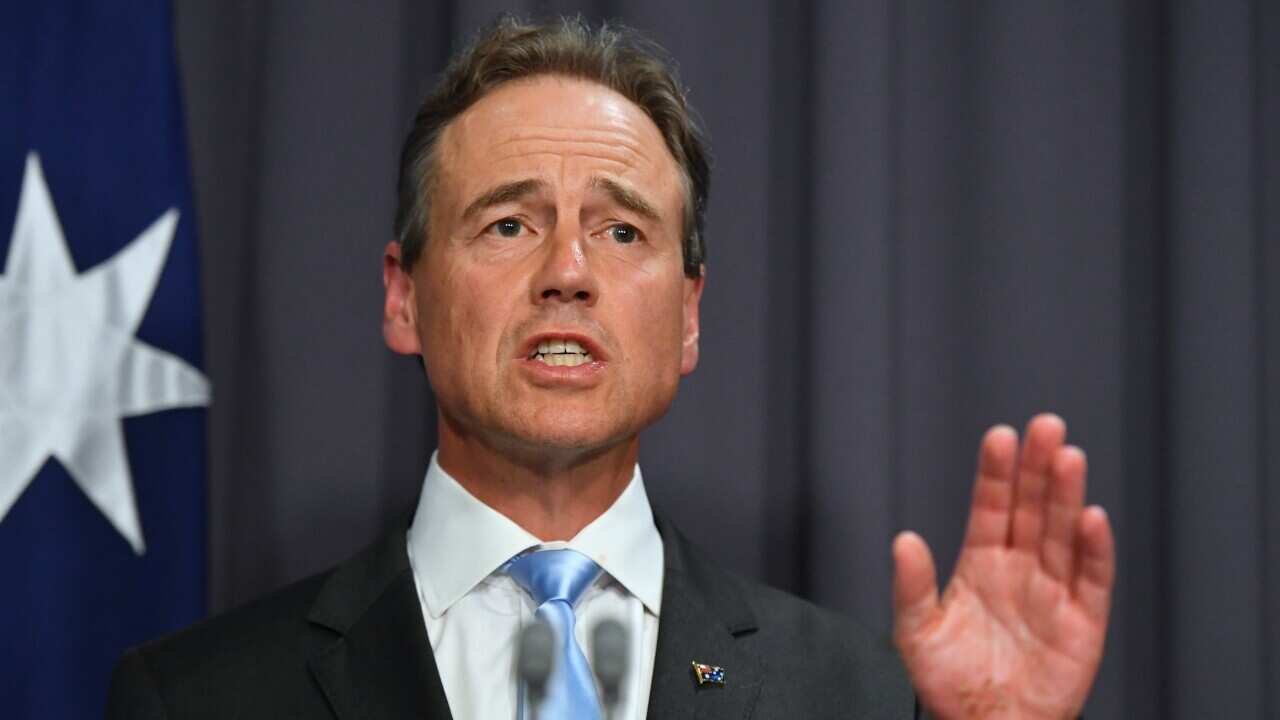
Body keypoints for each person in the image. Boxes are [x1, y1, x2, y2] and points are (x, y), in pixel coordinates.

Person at [108, 16, 1114, 719]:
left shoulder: (853, 696)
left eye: (622, 232)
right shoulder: (195, 699)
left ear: (687, 315)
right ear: (402, 296)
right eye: (508, 223)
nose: (567, 273)